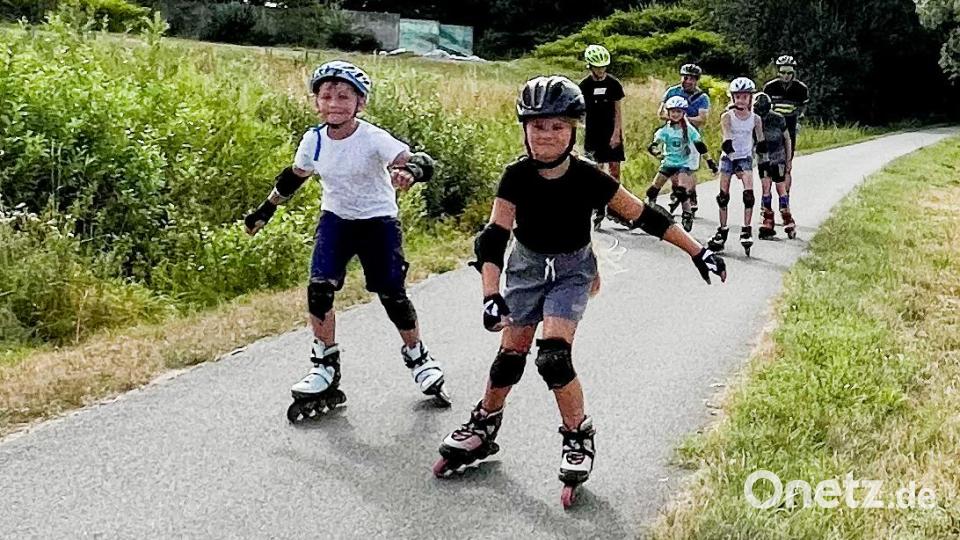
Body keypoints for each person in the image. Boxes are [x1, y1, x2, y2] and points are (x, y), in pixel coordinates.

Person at [432, 76, 727, 508]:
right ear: (525, 130)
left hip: (572, 270)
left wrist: (697, 252)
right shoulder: (516, 176)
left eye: (557, 126)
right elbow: (493, 238)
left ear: (573, 131)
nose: (546, 135)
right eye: (537, 126)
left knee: (553, 357)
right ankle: (484, 424)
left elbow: (645, 216)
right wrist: (490, 294)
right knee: (510, 356)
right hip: (526, 268)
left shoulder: (589, 177)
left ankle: (576, 436)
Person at [243, 60, 450, 421]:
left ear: (360, 104)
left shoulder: (373, 138)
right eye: (326, 96)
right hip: (336, 221)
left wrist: (409, 173)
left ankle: (419, 357)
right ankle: (325, 363)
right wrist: (266, 210)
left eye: (344, 97)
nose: (334, 104)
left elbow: (420, 161)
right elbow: (294, 177)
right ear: (316, 102)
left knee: (392, 295)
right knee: (319, 288)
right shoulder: (315, 140)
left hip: (378, 223)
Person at [707, 77, 765, 257]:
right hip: (728, 157)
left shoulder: (755, 119)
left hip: (746, 157)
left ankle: (746, 230)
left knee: (749, 195)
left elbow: (761, 142)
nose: (741, 100)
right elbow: (727, 141)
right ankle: (722, 230)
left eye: (744, 97)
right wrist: (734, 164)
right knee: (723, 197)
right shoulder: (727, 117)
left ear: (751, 98)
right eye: (737, 97)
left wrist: (765, 162)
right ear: (732, 98)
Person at [645, 95, 719, 232]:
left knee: (681, 191)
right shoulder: (665, 130)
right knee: (652, 190)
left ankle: (687, 214)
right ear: (668, 112)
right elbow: (655, 144)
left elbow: (700, 146)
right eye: (673, 111)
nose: (675, 114)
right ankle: (648, 211)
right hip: (668, 162)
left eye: (678, 112)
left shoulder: (690, 130)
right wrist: (655, 150)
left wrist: (710, 162)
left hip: (684, 163)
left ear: (683, 113)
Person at [579, 44, 626, 230]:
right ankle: (598, 207)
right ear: (589, 66)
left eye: (603, 67)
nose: (600, 71)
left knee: (614, 171)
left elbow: (618, 111)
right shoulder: (584, 86)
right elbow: (579, 111)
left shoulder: (613, 84)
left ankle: (616, 206)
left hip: (611, 131)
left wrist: (616, 134)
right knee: (596, 171)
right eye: (596, 67)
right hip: (593, 133)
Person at [659, 63, 711, 215]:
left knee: (688, 169)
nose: (688, 81)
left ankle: (691, 195)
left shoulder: (702, 97)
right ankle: (677, 192)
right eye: (685, 77)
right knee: (672, 166)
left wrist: (683, 119)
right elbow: (661, 113)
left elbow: (702, 119)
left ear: (697, 80)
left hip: (690, 136)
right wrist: (676, 118)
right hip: (672, 134)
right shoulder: (672, 92)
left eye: (692, 79)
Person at [752, 92, 796, 239]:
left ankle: (786, 214)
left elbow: (787, 139)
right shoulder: (753, 119)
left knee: (780, 187)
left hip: (778, 158)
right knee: (766, 187)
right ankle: (767, 216)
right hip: (763, 158)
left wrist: (789, 160)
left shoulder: (778, 118)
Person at [762, 55, 809, 194]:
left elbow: (804, 106)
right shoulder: (770, 87)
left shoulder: (801, 88)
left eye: (789, 73)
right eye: (783, 72)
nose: (786, 76)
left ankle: (785, 197)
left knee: (787, 164)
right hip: (772, 130)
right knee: (769, 165)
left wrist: (800, 114)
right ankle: (767, 197)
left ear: (793, 73)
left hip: (790, 126)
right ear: (778, 72)